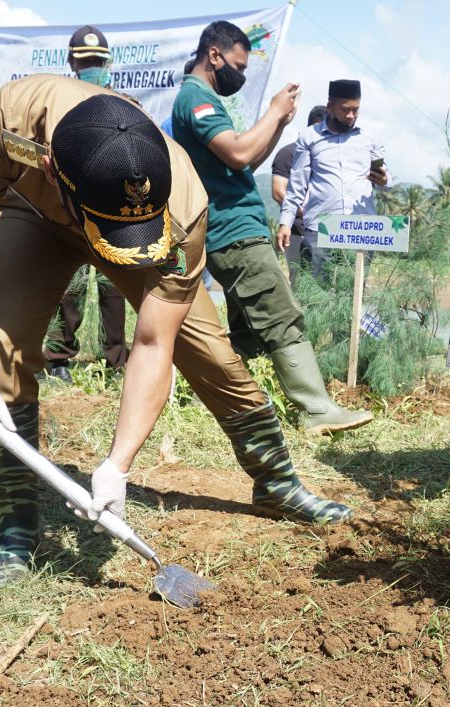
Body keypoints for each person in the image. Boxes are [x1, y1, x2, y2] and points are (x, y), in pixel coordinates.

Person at [0, 75, 352, 588]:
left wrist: (118, 463)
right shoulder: (1, 126)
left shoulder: (182, 201)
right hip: (36, 214)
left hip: (147, 229)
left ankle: (278, 484)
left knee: (210, 355)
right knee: (0, 350)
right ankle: (16, 528)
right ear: (48, 165)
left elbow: (154, 342)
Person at [173, 23, 371, 435]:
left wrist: (280, 124)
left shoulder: (205, 97)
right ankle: (315, 409)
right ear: (214, 55)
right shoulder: (195, 98)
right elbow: (240, 150)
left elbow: (243, 165)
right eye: (238, 65)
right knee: (280, 314)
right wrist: (273, 113)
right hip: (232, 230)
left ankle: (217, 398)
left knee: (247, 329)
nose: (240, 75)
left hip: (237, 224)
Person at [43, 25, 129, 382]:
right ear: (71, 63)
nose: (91, 66)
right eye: (86, 61)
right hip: (71, 206)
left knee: (115, 288)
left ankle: (118, 362)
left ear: (107, 64)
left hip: (112, 208)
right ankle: (58, 358)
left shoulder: (123, 103)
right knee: (71, 287)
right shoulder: (60, 102)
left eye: (97, 61)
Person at [275, 79, 389, 281]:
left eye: (356, 110)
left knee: (353, 297)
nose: (351, 116)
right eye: (345, 110)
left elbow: (385, 181)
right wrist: (285, 222)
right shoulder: (309, 137)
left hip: (360, 230)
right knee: (317, 296)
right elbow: (297, 186)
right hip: (321, 229)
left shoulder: (370, 137)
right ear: (330, 107)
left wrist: (383, 179)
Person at [271, 104, 327, 285]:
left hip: (324, 231)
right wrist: (309, 213)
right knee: (299, 279)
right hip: (297, 230)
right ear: (313, 126)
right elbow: (279, 192)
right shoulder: (288, 153)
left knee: (323, 282)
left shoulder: (326, 156)